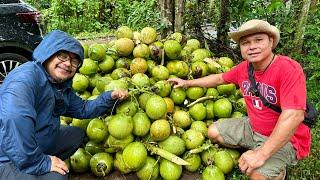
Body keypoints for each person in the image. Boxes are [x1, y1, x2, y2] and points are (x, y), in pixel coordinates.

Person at [168, 19, 310, 180]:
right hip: (253, 128)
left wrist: (261, 155)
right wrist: (187, 83)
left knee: (256, 175)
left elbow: (294, 116)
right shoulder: (244, 69)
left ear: (271, 41)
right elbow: (220, 79)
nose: (252, 46)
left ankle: (279, 172)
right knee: (213, 132)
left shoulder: (288, 69)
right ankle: (256, 149)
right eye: (245, 43)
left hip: (286, 138)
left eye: (258, 40)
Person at [0, 30, 128, 180]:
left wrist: (109, 97)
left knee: (76, 135)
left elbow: (82, 109)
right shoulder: (25, 79)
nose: (68, 64)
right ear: (48, 52)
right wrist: (41, 163)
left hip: (36, 139)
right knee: (58, 177)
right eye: (62, 56)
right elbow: (14, 120)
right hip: (8, 154)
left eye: (74, 61)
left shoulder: (59, 85)